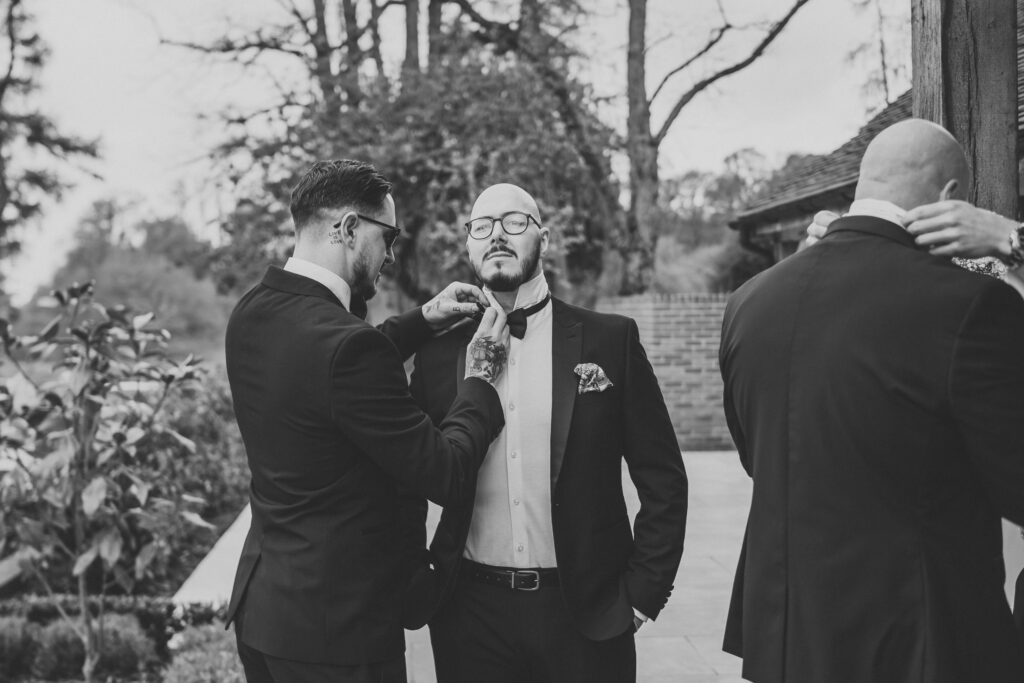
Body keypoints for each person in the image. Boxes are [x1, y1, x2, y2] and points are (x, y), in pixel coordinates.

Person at [719, 120, 1024, 682]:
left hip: (787, 642)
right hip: (921, 647)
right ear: (951, 199)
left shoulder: (749, 302)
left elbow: (758, 456)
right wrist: (1014, 245)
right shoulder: (973, 306)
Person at [223, 159, 511, 683]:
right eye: (388, 236)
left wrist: (422, 320)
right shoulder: (346, 346)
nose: (391, 255)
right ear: (349, 228)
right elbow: (446, 471)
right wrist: (480, 377)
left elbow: (324, 373)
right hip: (338, 638)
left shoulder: (253, 311)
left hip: (265, 618)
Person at [404, 183, 688, 683]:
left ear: (545, 238)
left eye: (514, 223)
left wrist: (642, 595)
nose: (497, 236)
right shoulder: (434, 357)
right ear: (469, 245)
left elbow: (663, 479)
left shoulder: (610, 340)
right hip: (468, 614)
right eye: (482, 227)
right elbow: (405, 475)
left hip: (587, 615)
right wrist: (416, 576)